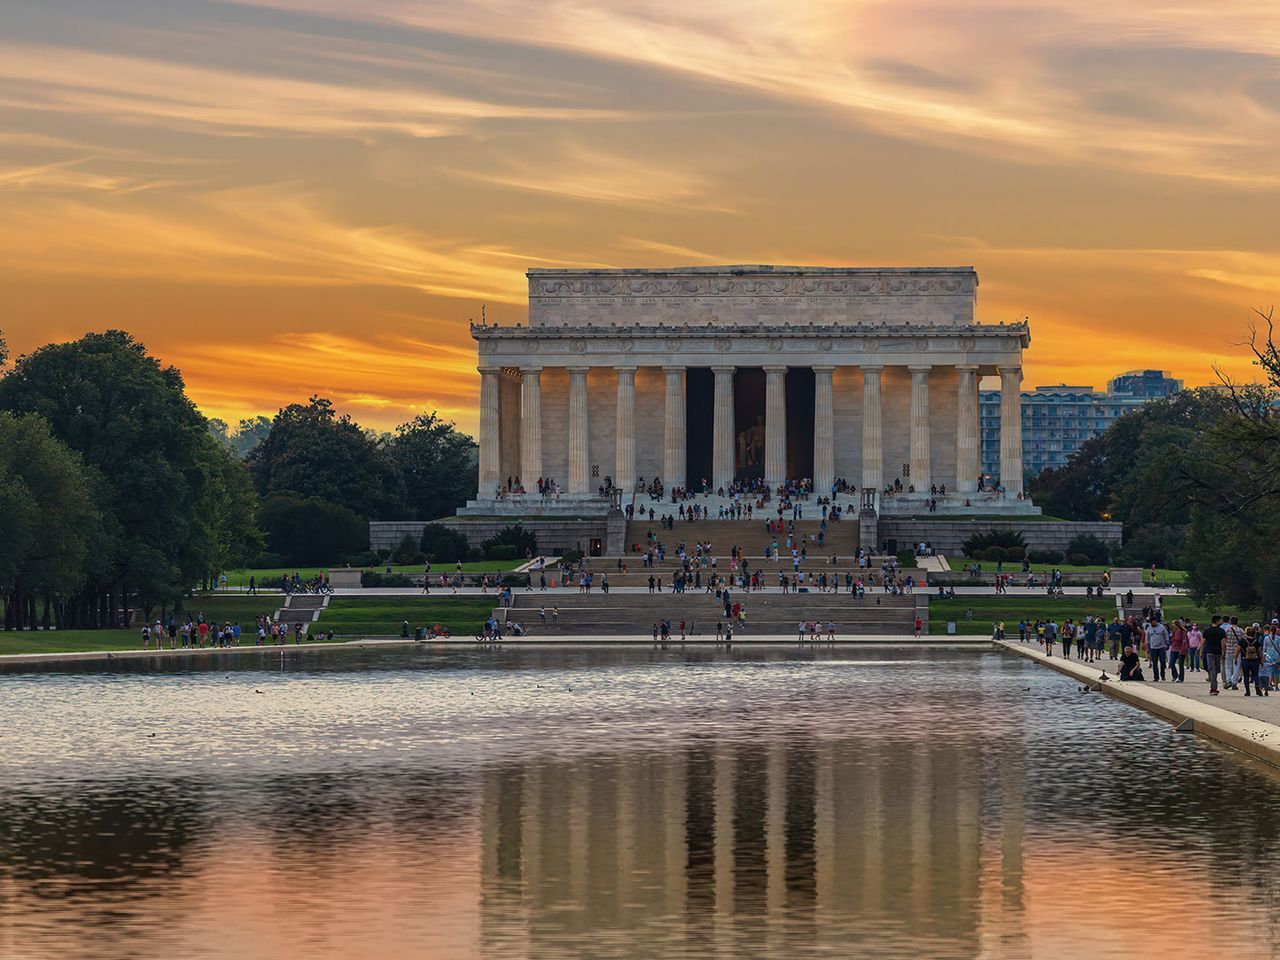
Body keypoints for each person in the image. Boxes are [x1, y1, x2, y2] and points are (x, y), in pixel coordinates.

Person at [1202, 616, 1226, 695]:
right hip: (1217, 652)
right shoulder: (1221, 631)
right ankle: (1213, 688)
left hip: (1209, 652)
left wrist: (1200, 650)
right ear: (1216, 621)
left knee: (1214, 670)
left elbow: (1203, 641)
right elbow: (1223, 643)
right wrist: (1224, 652)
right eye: (1220, 620)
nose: (1221, 622)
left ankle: (1213, 684)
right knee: (1214, 670)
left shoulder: (1207, 630)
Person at [1145, 617, 1169, 682]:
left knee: (1163, 662)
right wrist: (1147, 647)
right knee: (1154, 663)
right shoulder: (1149, 629)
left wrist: (1167, 642)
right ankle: (1156, 677)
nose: (1153, 623)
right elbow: (1147, 638)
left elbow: (1166, 635)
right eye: (1152, 622)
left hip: (1161, 647)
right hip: (1153, 648)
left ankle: (1163, 674)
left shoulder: (1162, 627)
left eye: (1154, 622)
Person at [1168, 618, 1188, 683]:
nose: (1172, 627)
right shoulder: (1173, 632)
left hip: (1180, 650)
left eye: (1173, 625)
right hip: (1173, 649)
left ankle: (1181, 678)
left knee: (1180, 664)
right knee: (1171, 663)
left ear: (1177, 625)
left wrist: (1182, 650)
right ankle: (1175, 675)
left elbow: (1184, 642)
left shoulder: (1183, 632)